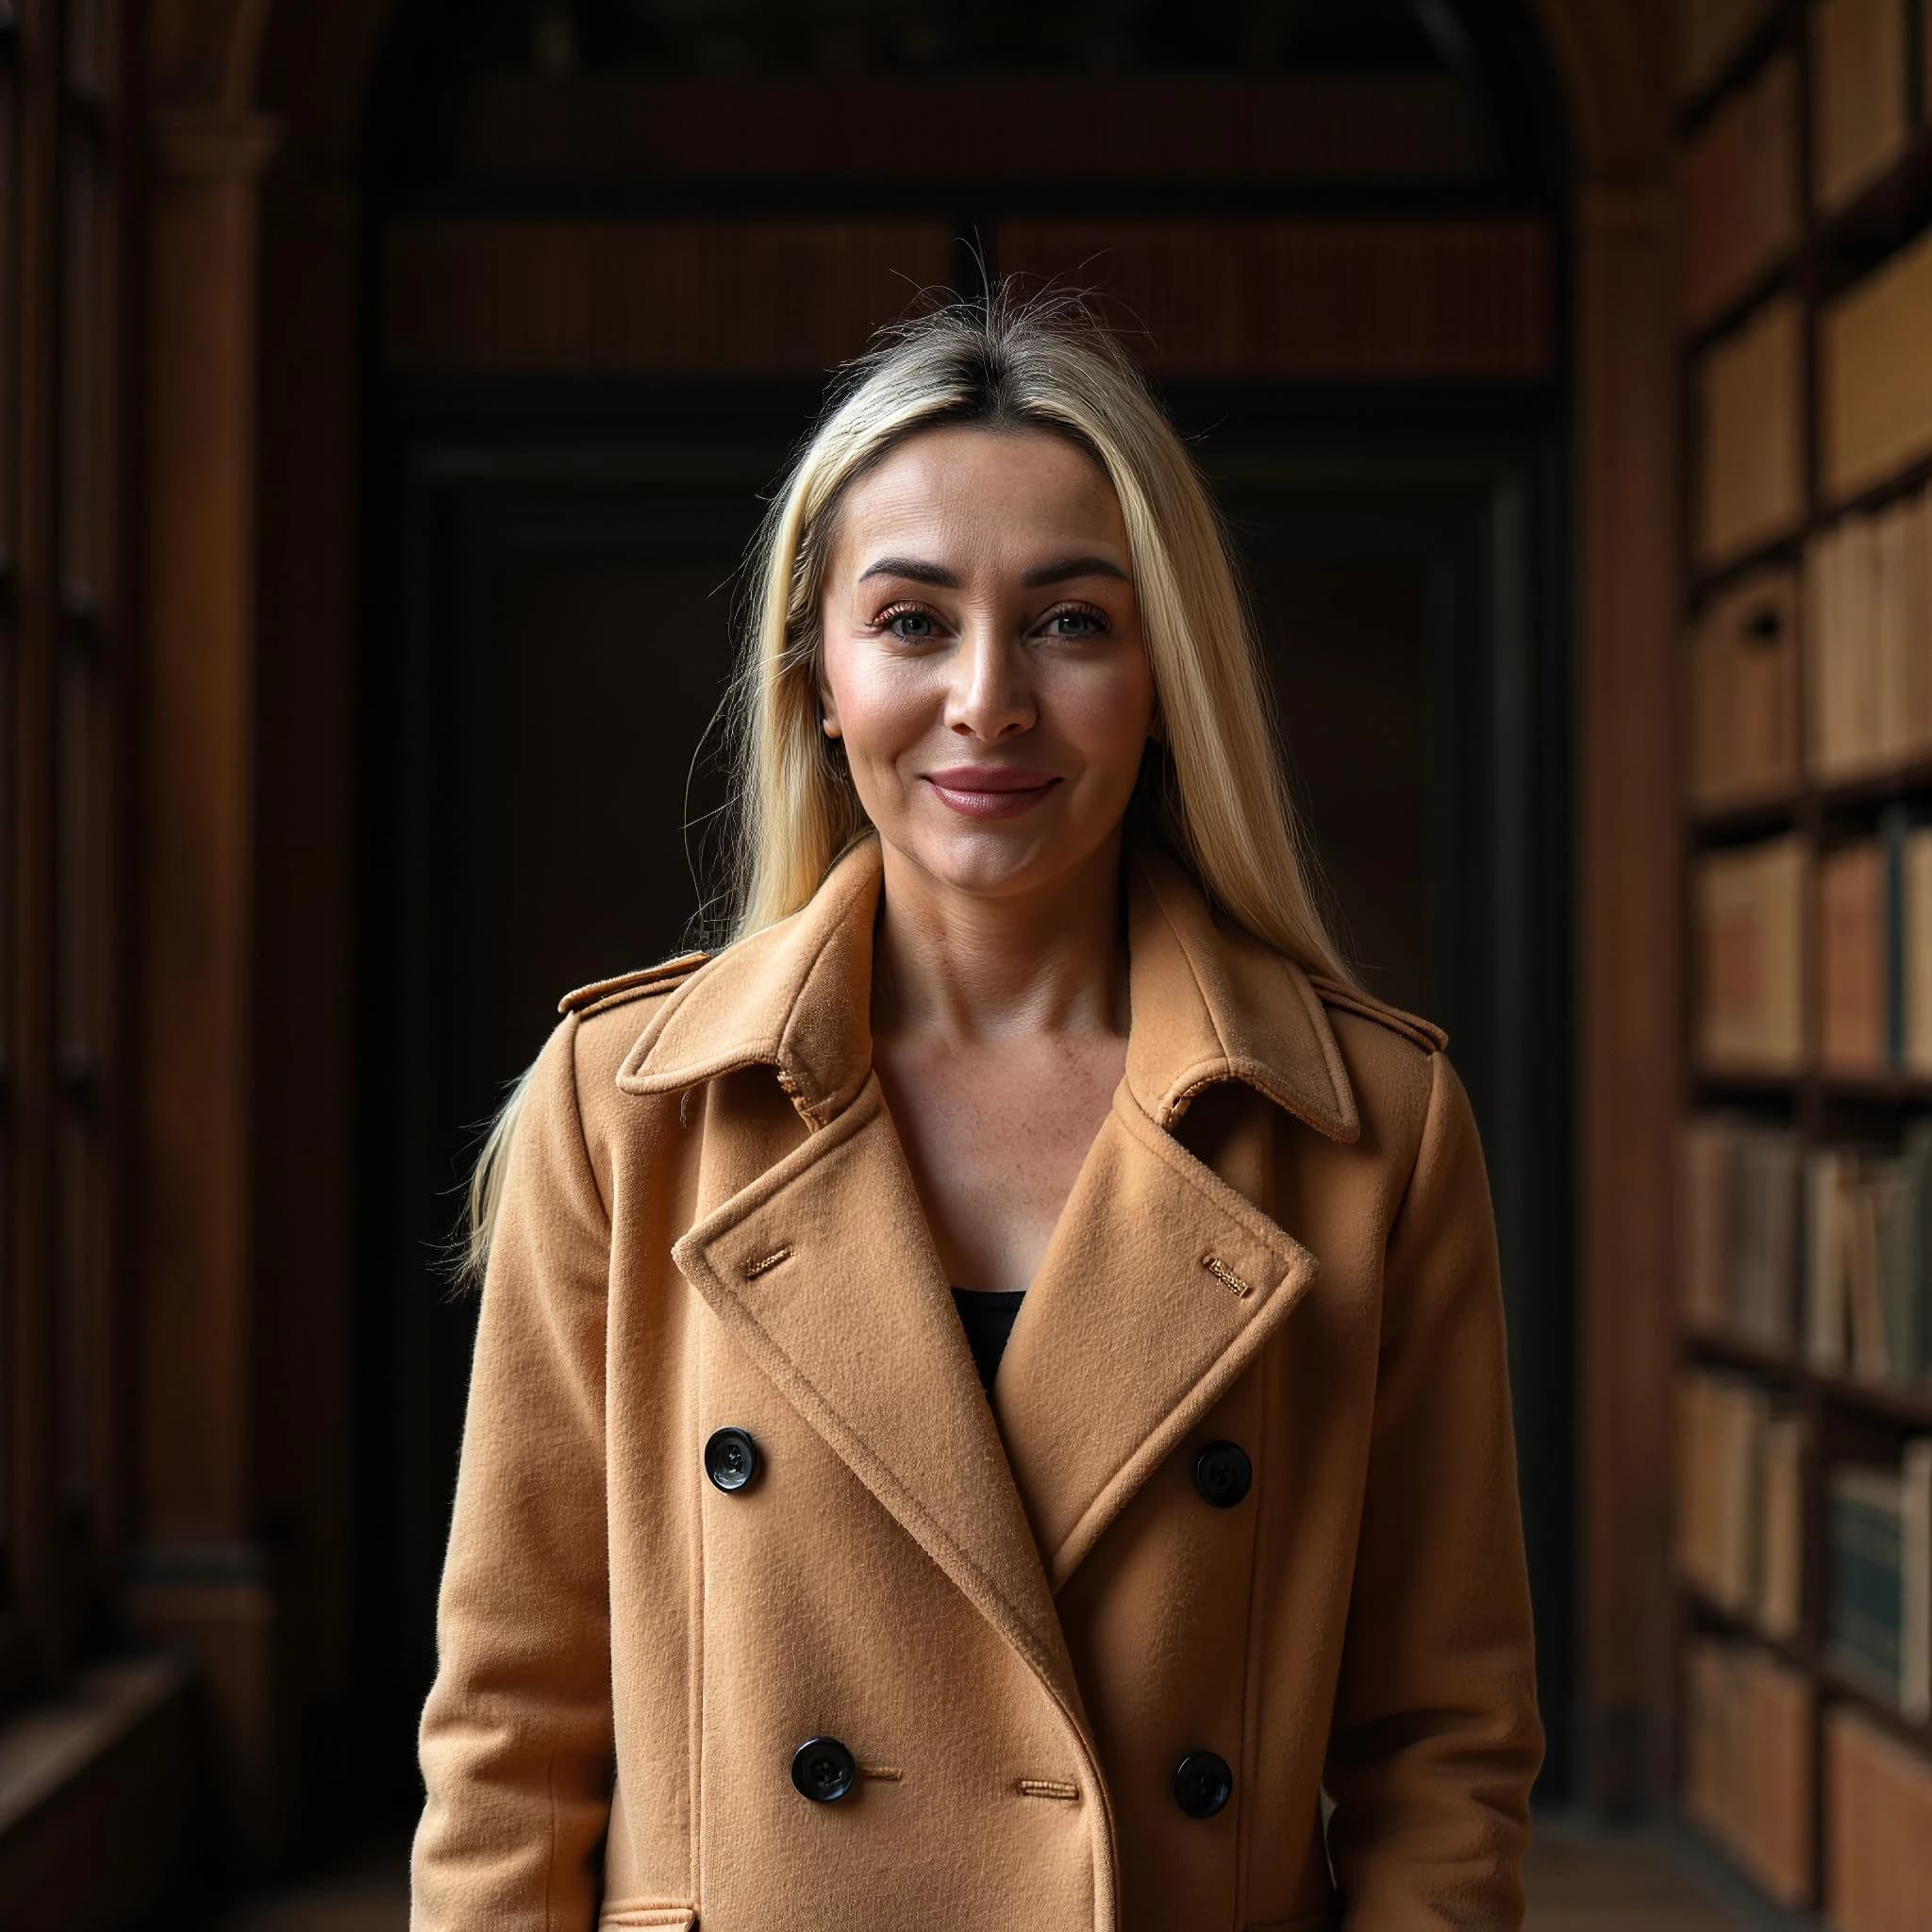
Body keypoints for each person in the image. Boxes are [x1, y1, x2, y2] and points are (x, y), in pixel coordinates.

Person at [409, 279, 1545, 1931]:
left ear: (1166, 672)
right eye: (914, 619)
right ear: (816, 670)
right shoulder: (628, 1110)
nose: (990, 701)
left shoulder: (1366, 1129)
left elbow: (1443, 1744)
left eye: (1073, 622)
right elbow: (509, 1733)